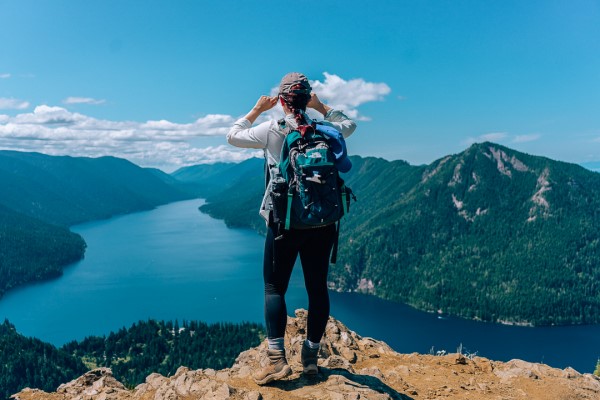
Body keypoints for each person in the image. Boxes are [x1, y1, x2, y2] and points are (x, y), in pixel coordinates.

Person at [227, 72, 356, 385]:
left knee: (274, 288)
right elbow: (350, 125)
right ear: (306, 98)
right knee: (317, 288)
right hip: (323, 222)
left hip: (284, 223)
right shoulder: (326, 128)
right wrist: (321, 106)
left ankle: (277, 361)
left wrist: (257, 109)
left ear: (282, 100)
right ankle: (310, 360)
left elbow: (232, 135)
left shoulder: (274, 128)